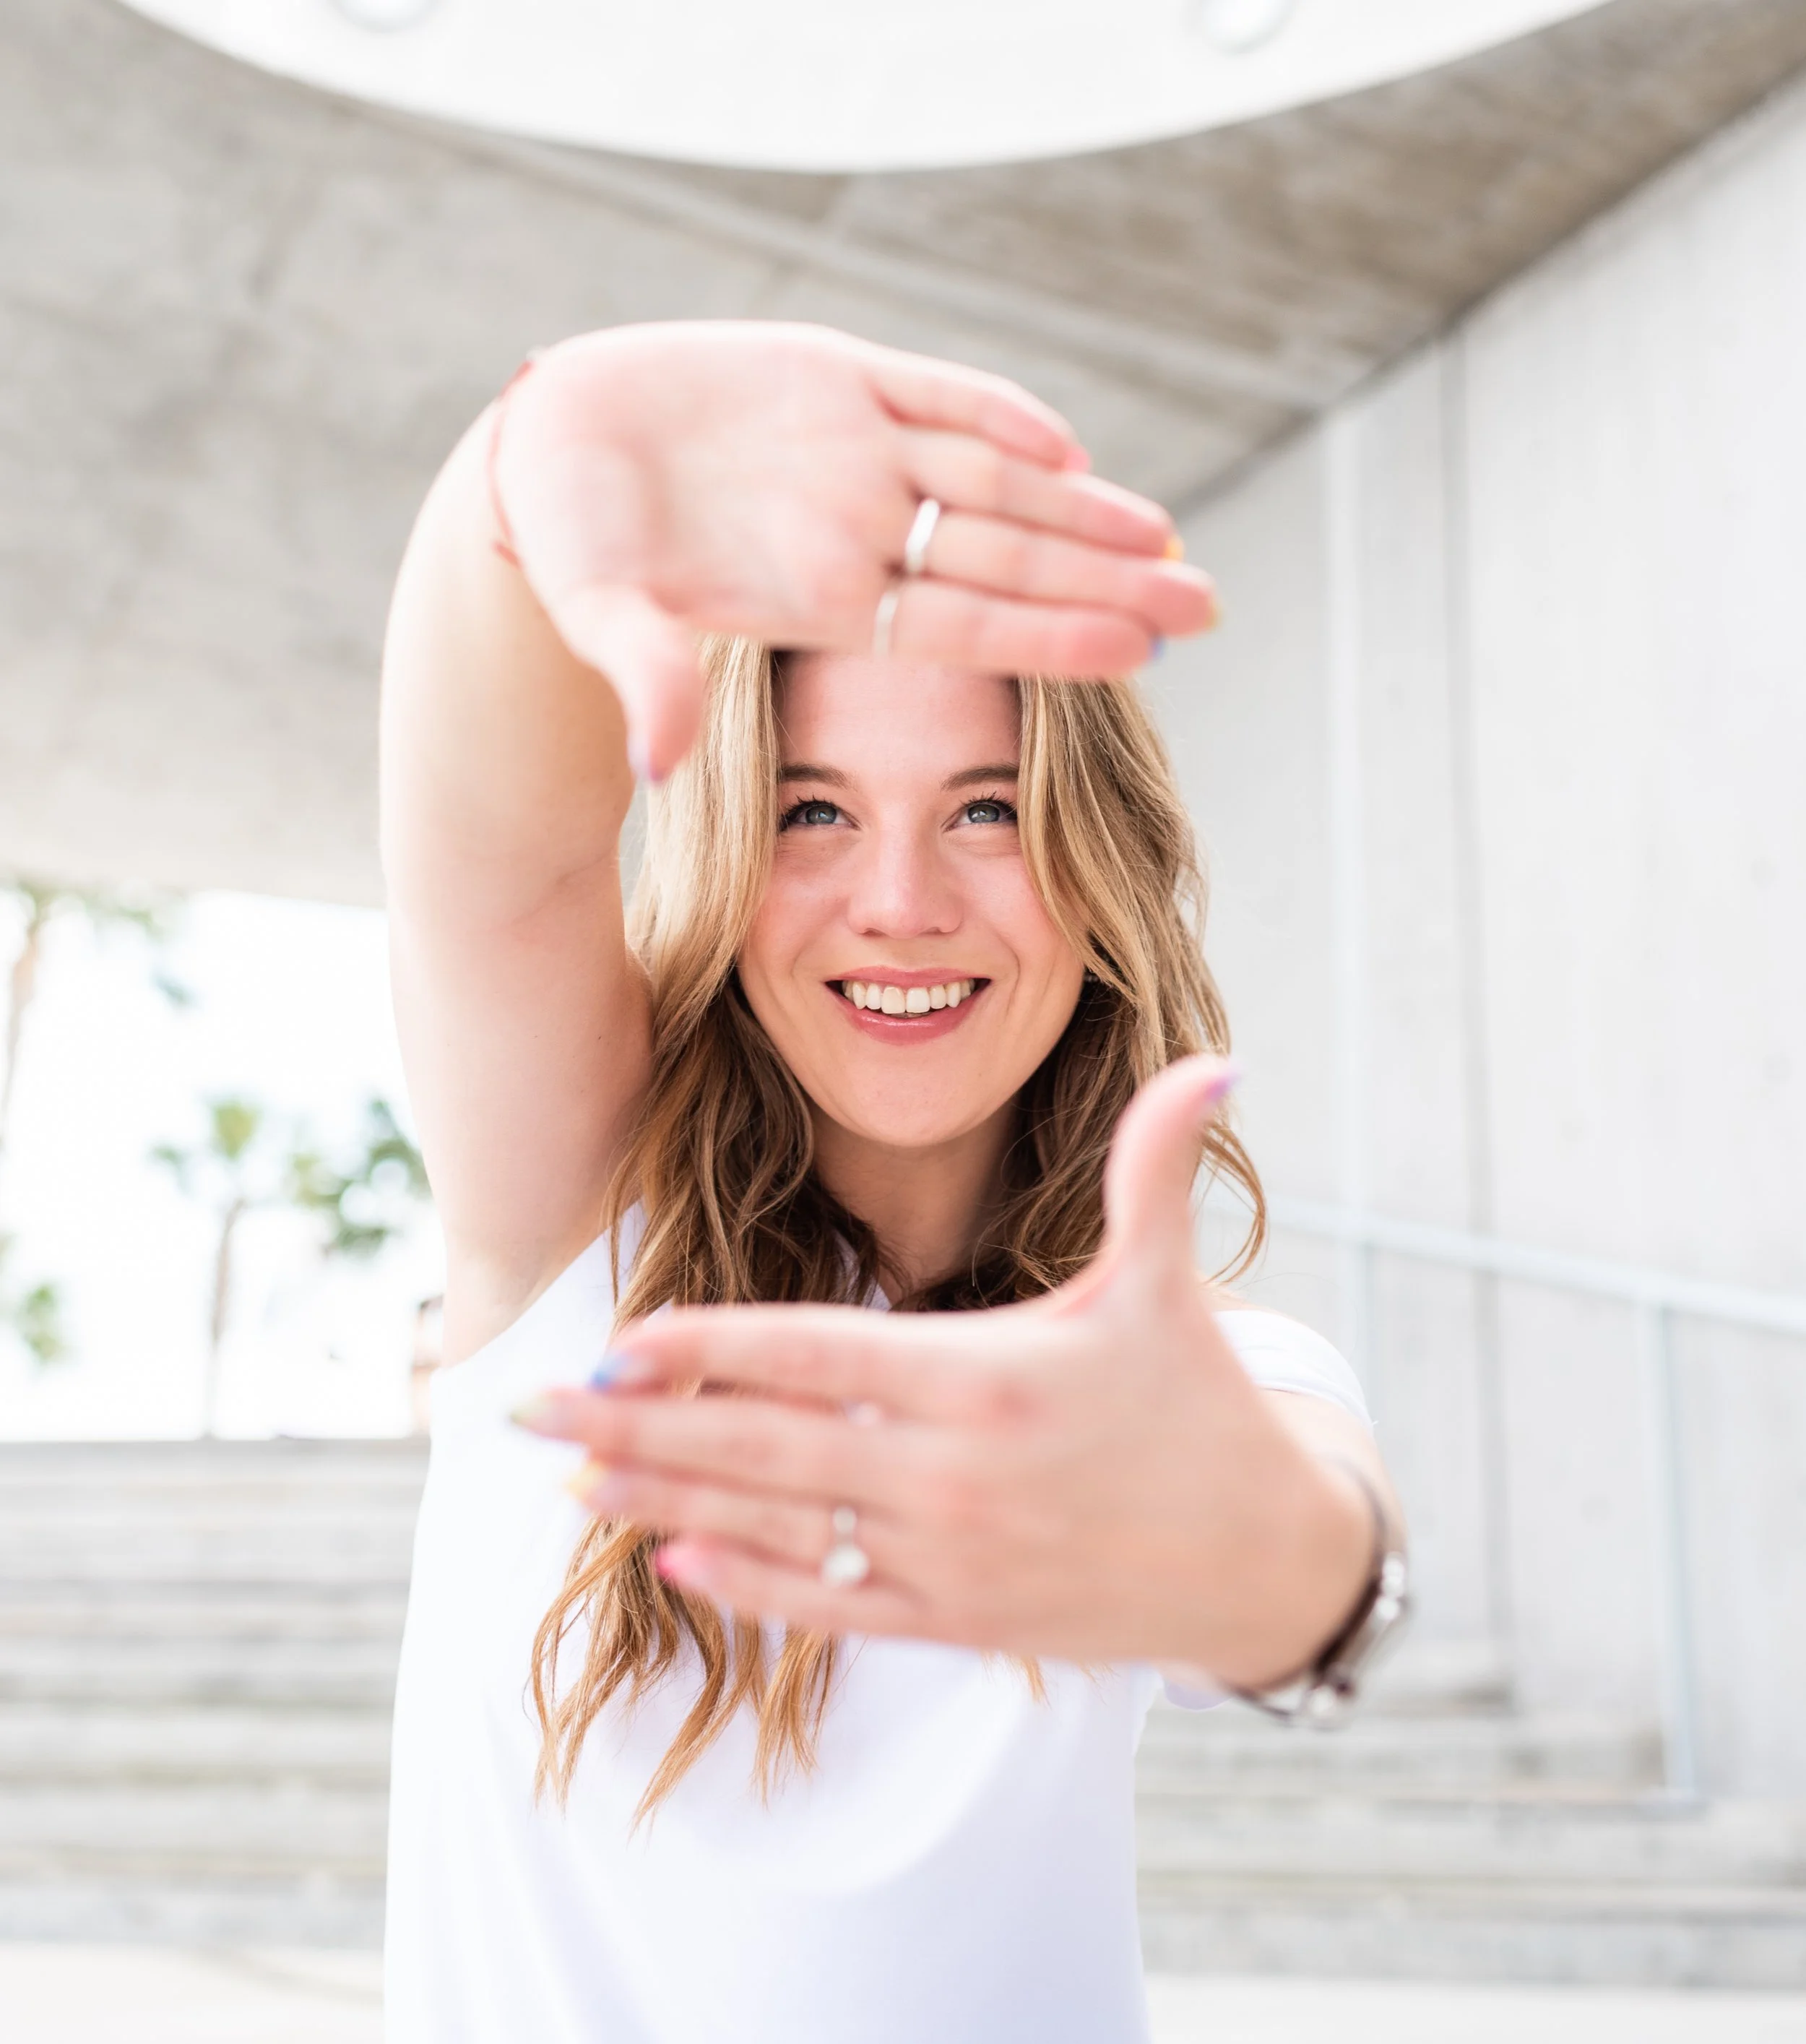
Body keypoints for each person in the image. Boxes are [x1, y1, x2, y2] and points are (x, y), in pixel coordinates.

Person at [380, 322, 1404, 2043]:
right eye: (813, 813)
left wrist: (1285, 1581)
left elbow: (1316, 1553)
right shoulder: (572, 1216)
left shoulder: (1181, 1364)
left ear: (1098, 875)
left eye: (988, 810)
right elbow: (493, 855)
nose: (903, 901)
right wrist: (509, 481)